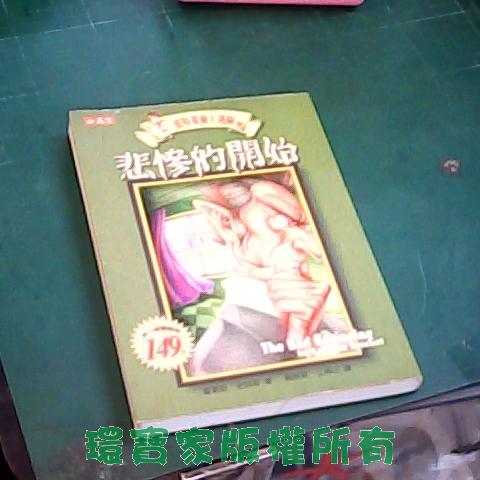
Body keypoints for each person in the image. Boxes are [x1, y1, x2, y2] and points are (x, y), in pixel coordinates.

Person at [188, 174, 348, 376]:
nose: (310, 247)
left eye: (305, 227)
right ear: (225, 223)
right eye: (280, 223)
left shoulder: (331, 323)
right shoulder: (221, 356)